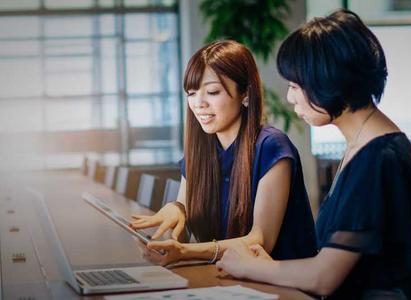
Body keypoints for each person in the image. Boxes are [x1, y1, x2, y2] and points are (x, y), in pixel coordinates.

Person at [216, 10, 411, 300]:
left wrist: (247, 267)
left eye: (295, 86)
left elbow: (324, 278)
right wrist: (266, 267)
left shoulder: (377, 158)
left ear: (327, 81)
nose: (289, 97)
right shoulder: (370, 145)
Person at [130, 40, 317, 265]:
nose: (199, 103)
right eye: (191, 92)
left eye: (212, 91)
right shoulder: (200, 151)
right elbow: (183, 212)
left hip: (284, 286)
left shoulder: (271, 146)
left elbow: (261, 241)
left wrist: (186, 251)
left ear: (245, 94)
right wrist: (175, 211)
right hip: (228, 280)